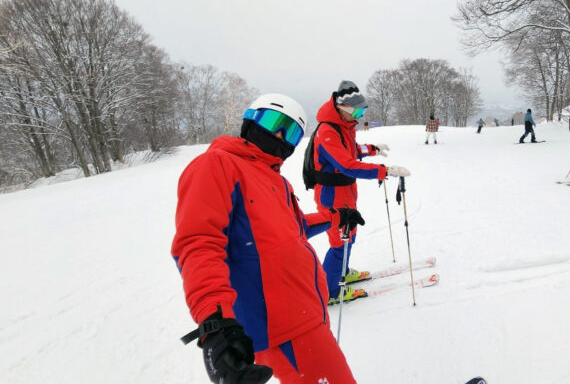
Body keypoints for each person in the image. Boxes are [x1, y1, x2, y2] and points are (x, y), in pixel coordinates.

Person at [172, 94, 362, 384]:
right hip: (283, 327)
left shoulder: (275, 180)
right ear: (251, 120)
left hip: (307, 312)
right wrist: (216, 322)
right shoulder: (217, 164)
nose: (279, 136)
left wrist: (337, 215)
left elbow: (295, 228)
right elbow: (198, 243)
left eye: (292, 132)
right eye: (274, 122)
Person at [310, 80, 411, 303]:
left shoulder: (344, 126)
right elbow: (346, 164)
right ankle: (331, 291)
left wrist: (373, 149)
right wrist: (385, 171)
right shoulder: (327, 130)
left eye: (363, 110)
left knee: (349, 237)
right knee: (339, 244)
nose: (360, 116)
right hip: (331, 194)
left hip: (345, 191)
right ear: (342, 108)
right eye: (357, 111)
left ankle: (341, 273)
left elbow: (351, 150)